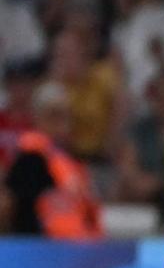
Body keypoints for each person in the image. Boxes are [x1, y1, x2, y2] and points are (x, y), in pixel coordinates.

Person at [2, 80, 103, 239]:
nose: (61, 124)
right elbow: (9, 207)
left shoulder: (75, 162)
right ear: (37, 118)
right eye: (53, 115)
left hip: (80, 249)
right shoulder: (29, 160)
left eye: (65, 115)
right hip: (39, 250)